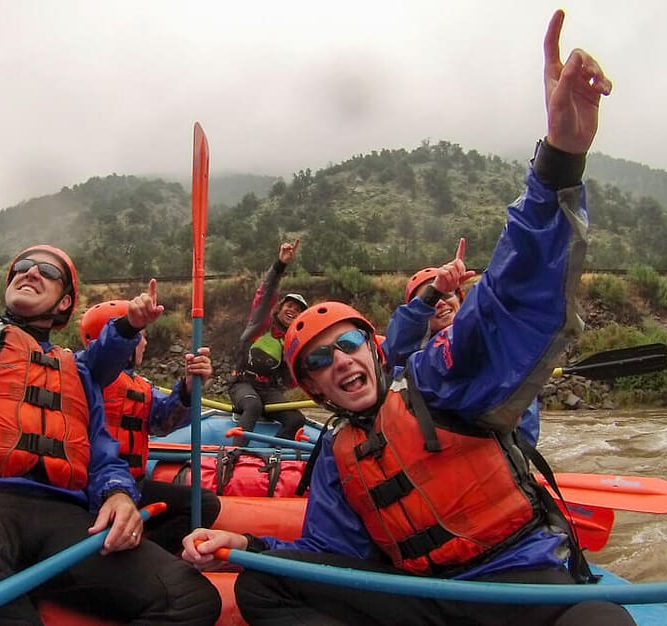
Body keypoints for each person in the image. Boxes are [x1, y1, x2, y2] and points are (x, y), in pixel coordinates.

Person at [183, 10, 633, 625]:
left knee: (601, 623)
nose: (338, 360)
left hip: (514, 578)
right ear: (310, 386)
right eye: (318, 359)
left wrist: (559, 160)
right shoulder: (338, 456)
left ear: (372, 351)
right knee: (267, 585)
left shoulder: (439, 381)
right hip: (427, 596)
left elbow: (510, 295)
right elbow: (325, 556)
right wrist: (253, 548)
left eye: (346, 345)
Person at [0, 24, 219, 625]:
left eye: (45, 271)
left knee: (191, 598)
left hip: (64, 516)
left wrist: (121, 494)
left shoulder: (79, 372)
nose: (28, 271)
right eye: (20, 266)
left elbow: (101, 454)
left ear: (62, 305)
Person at [79, 300, 222, 553]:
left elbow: (163, 421)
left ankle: (151, 553)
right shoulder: (82, 374)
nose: (144, 343)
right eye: (141, 336)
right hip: (92, 488)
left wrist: (189, 388)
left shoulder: (139, 385)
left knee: (204, 503)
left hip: (135, 483)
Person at [385, 240, 541, 446]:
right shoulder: (410, 358)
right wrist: (434, 291)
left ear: (461, 301)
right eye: (431, 299)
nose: (440, 302)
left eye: (446, 294)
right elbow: (397, 346)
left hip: (494, 456)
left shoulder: (495, 347)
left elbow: (524, 421)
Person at [228, 239, 309, 446]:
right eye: (289, 306)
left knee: (297, 419)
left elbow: (293, 380)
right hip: (243, 384)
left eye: (298, 310)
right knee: (253, 407)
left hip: (269, 391)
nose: (293, 310)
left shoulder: (292, 343)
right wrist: (280, 264)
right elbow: (265, 294)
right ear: (280, 309)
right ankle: (233, 455)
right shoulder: (260, 324)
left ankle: (270, 458)